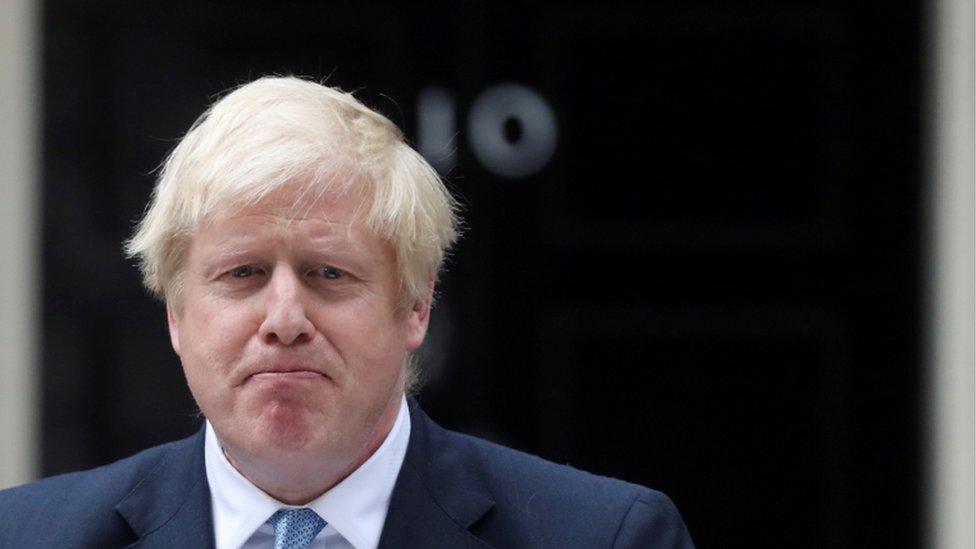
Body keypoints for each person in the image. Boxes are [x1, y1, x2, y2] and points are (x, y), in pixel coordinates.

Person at [0, 76, 694, 548]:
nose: (284, 317)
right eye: (242, 273)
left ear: (416, 305)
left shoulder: (604, 536)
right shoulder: (28, 535)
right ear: (177, 312)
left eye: (328, 273)